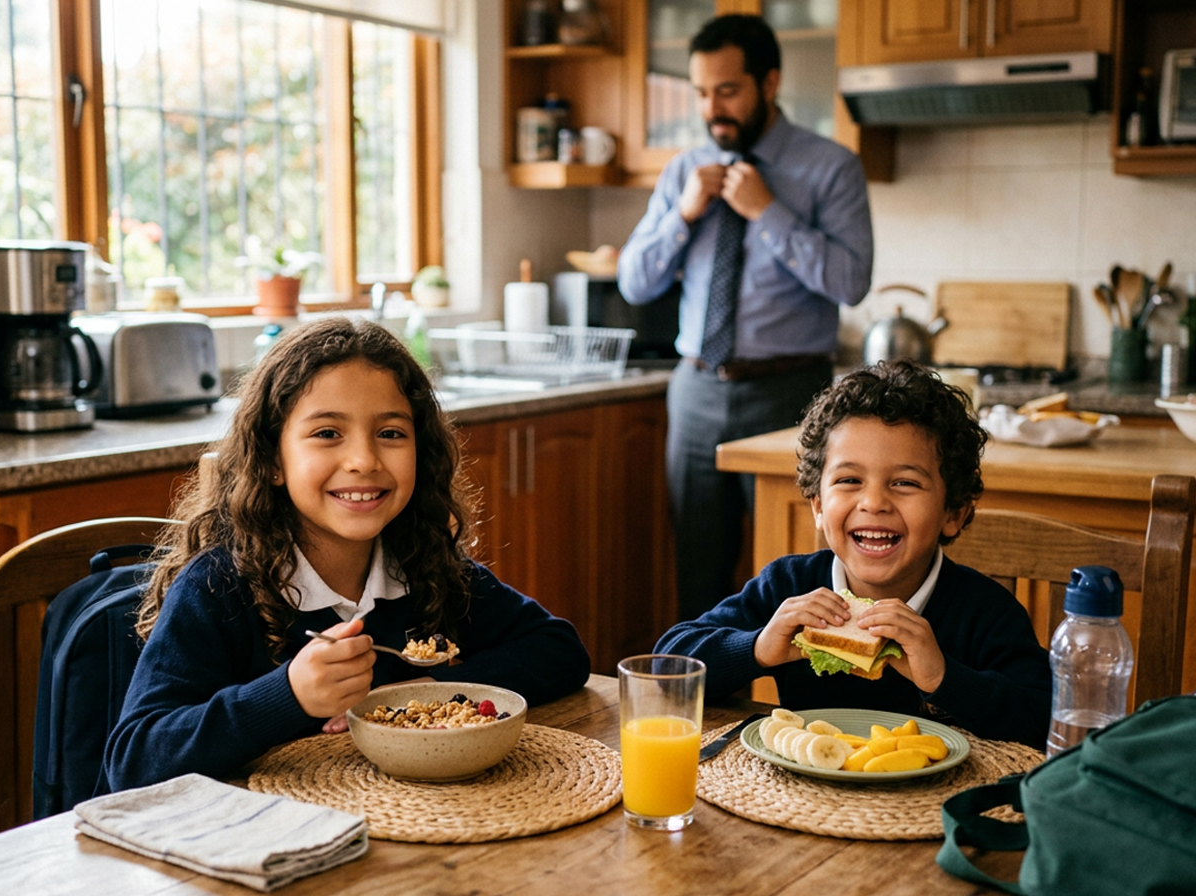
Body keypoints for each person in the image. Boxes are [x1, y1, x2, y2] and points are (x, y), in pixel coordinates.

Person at [104, 317, 591, 791]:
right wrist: (288, 696)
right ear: (272, 460)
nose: (363, 460)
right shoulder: (218, 586)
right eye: (327, 433)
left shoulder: (425, 566)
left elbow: (559, 650)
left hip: (403, 818)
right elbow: (134, 758)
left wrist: (414, 693)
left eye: (391, 433)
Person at [617, 14, 874, 621]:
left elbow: (851, 281)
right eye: (702, 93)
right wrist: (682, 215)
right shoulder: (684, 172)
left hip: (790, 395)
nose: (713, 109)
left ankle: (789, 686)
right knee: (698, 570)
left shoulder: (830, 168)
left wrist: (769, 212)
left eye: (728, 90)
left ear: (770, 82)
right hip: (696, 391)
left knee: (795, 570)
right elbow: (634, 281)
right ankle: (707, 682)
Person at [654, 361, 1051, 749]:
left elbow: (1044, 718)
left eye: (905, 483)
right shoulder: (790, 588)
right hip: (805, 787)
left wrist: (943, 677)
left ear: (954, 513)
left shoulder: (984, 610)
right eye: (849, 480)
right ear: (818, 506)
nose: (873, 502)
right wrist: (758, 647)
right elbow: (666, 665)